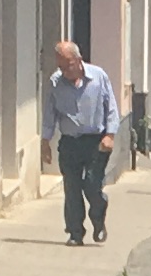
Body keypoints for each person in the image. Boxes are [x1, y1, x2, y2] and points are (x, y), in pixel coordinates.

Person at [49, 42, 118, 245]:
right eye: (61, 67)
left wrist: (110, 135)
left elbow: (111, 108)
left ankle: (98, 214)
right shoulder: (56, 82)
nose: (65, 71)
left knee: (91, 185)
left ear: (79, 61)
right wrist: (45, 140)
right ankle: (75, 233)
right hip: (70, 142)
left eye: (68, 65)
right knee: (71, 188)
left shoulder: (98, 76)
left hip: (96, 142)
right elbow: (50, 112)